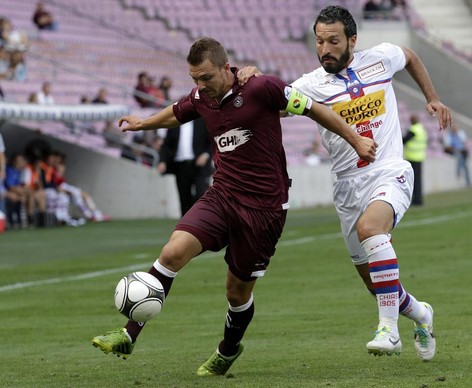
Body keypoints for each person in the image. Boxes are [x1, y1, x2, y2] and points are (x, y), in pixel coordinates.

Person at [91, 36, 376, 376]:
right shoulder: (201, 97)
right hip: (222, 195)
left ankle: (228, 349)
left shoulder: (263, 88)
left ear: (226, 68)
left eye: (206, 77)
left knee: (237, 291)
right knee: (172, 253)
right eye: (194, 78)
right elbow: (178, 112)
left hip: (264, 208)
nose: (199, 85)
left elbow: (316, 109)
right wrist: (144, 123)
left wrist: (356, 139)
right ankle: (129, 334)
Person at [265, 5, 451, 361]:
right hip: (347, 185)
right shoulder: (309, 86)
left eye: (333, 41)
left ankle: (388, 331)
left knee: (371, 229)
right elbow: (271, 105)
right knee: (375, 282)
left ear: (352, 40)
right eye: (319, 41)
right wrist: (253, 80)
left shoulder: (379, 59)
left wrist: (432, 97)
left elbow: (409, 56)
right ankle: (420, 313)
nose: (325, 49)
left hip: (390, 170)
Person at [158, 118, 213, 216]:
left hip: (199, 166)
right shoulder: (174, 124)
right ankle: (186, 227)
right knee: (184, 198)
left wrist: (205, 155)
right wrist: (162, 161)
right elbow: (166, 145)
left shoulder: (202, 121)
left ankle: (203, 222)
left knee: (202, 194)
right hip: (181, 167)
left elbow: (212, 141)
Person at [403, 114, 427, 206]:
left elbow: (404, 140)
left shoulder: (413, 130)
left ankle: (416, 200)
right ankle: (418, 199)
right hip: (420, 156)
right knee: (418, 180)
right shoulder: (421, 129)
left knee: (413, 180)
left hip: (412, 157)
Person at [443, 122, 471, 187]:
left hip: (462, 151)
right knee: (462, 160)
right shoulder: (449, 135)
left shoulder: (460, 133)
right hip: (454, 151)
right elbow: (447, 146)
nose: (454, 129)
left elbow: (465, 143)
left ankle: (459, 172)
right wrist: (455, 149)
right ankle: (459, 172)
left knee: (465, 164)